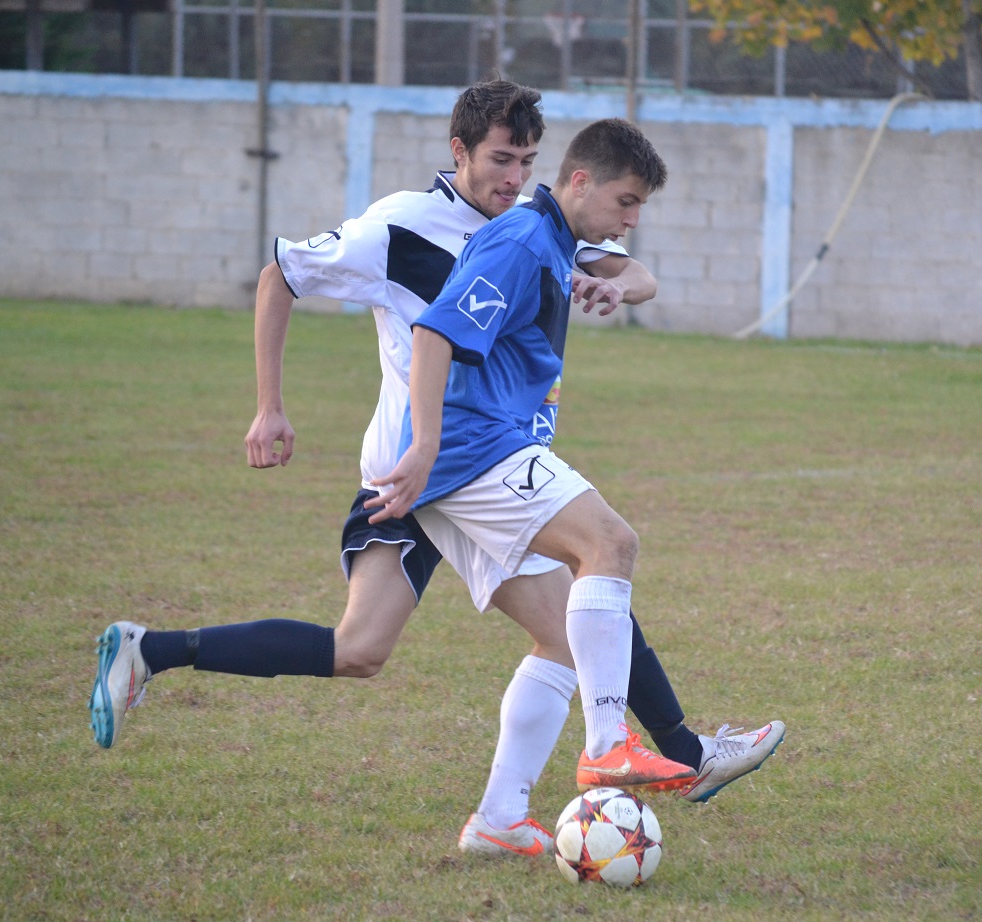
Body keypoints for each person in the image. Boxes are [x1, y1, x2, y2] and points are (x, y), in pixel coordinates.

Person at [89, 83, 783, 856]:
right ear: (458, 152)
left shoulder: (539, 225)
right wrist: (269, 406)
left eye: (525, 160)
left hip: (448, 464)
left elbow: (633, 265)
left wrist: (609, 282)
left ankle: (155, 651)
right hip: (436, 460)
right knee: (601, 558)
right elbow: (286, 278)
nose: (513, 175)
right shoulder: (408, 226)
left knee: (383, 647)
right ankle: (658, 750)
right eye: (498, 159)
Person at [367, 117, 770, 846]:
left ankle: (497, 820)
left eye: (639, 207)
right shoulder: (523, 241)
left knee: (561, 637)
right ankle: (607, 741)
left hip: (475, 453)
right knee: (611, 543)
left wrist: (610, 287)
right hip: (472, 449)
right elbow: (434, 333)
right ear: (579, 181)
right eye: (625, 202)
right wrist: (424, 446)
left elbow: (637, 276)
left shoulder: (555, 238)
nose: (631, 219)